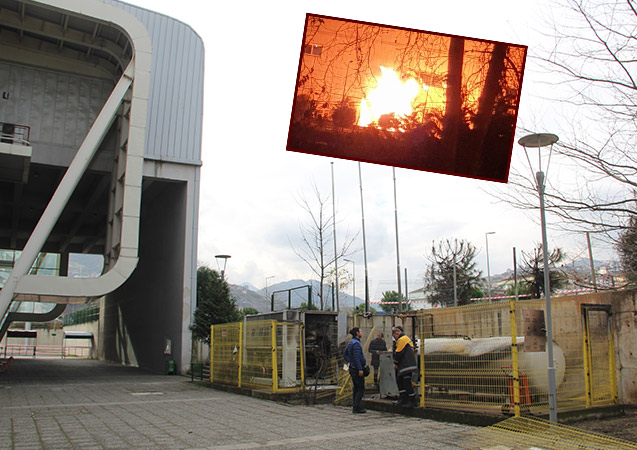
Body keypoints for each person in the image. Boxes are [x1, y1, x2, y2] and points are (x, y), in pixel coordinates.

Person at [392, 325, 418, 407]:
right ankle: (404, 399)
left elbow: (399, 353)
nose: (395, 339)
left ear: (397, 334)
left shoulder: (402, 339)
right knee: (401, 381)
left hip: (405, 366)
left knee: (406, 382)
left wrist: (395, 363)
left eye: (395, 337)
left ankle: (412, 400)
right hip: (409, 365)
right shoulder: (407, 339)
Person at [344, 327, 367, 413]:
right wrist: (360, 369)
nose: (361, 333)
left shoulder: (351, 343)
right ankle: (356, 407)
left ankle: (355, 405)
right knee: (361, 388)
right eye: (360, 331)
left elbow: (345, 353)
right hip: (357, 369)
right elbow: (357, 357)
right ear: (357, 333)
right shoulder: (356, 344)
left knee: (356, 388)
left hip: (352, 368)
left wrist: (349, 361)